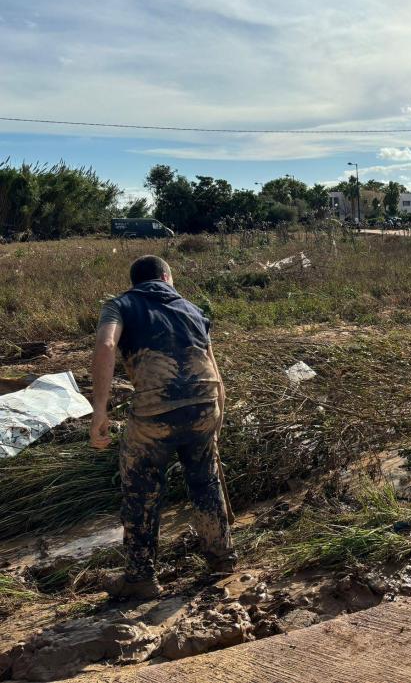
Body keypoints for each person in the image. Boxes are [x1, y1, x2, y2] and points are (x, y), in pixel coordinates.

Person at [91, 255, 235, 599]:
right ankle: (222, 559)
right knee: (206, 479)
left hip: (156, 410)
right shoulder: (192, 309)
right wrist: (217, 418)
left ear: (135, 282)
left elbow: (107, 344)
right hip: (206, 402)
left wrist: (99, 411)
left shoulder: (120, 305)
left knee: (141, 487)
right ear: (167, 277)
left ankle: (140, 577)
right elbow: (213, 365)